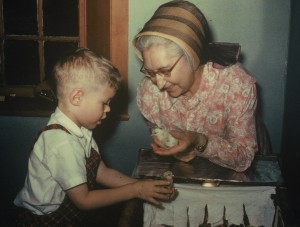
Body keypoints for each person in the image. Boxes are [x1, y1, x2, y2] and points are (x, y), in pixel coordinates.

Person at [13, 48, 176, 226]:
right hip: (45, 221)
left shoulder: (81, 130)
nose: (108, 109)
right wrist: (135, 190)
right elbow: (84, 200)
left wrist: (144, 186)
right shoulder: (61, 142)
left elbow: (102, 172)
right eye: (104, 102)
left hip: (68, 215)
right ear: (77, 97)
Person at [132, 0, 258, 172]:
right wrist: (169, 144)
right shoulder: (149, 92)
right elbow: (158, 132)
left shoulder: (236, 84)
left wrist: (199, 141)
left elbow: (244, 157)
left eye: (166, 70)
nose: (159, 84)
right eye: (150, 72)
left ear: (193, 56)